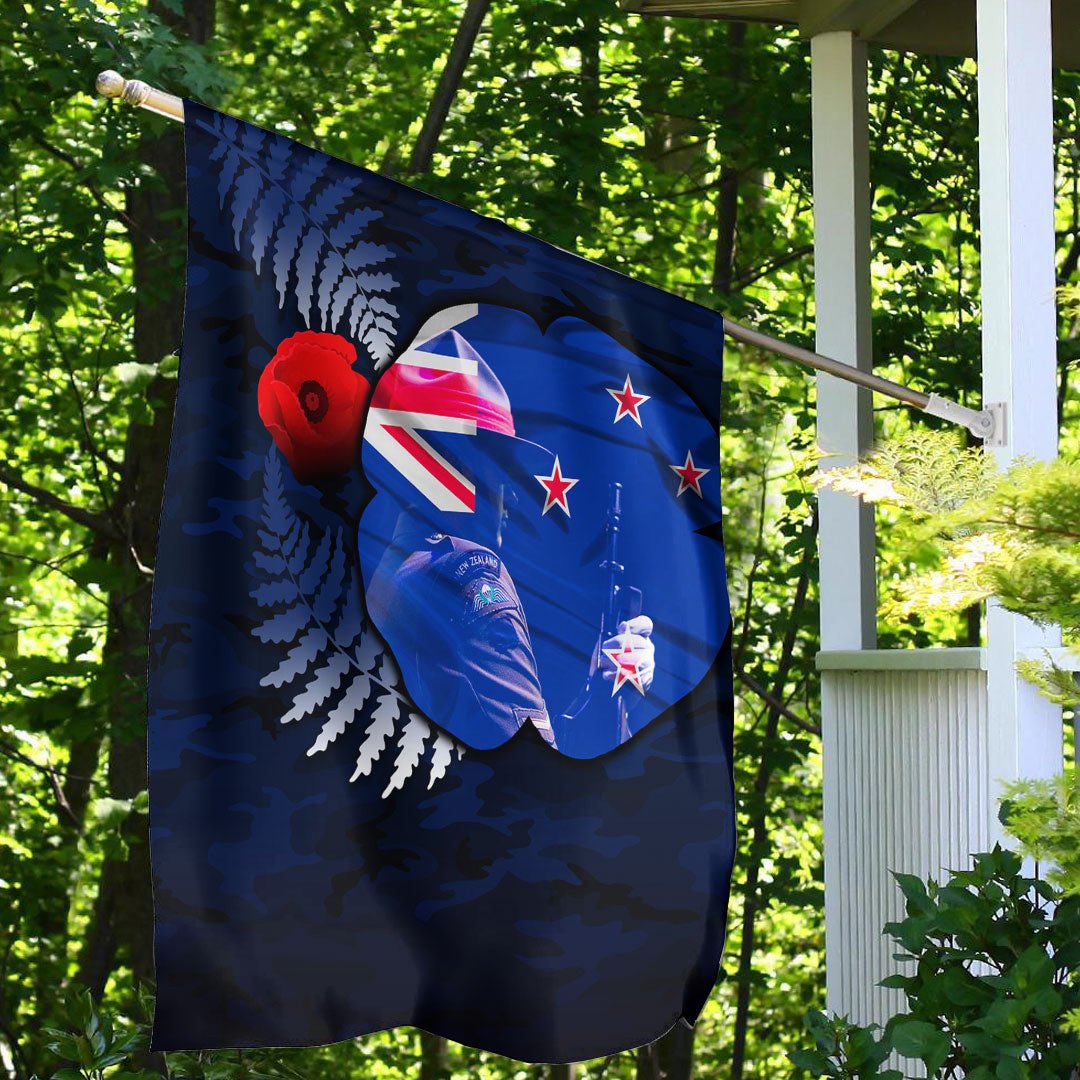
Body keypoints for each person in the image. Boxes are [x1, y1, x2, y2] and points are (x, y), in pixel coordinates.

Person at [363, 329, 655, 753]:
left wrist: (603, 687)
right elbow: (532, 773)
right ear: (459, 465)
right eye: (501, 467)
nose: (512, 494)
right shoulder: (468, 571)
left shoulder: (395, 564)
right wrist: (614, 706)